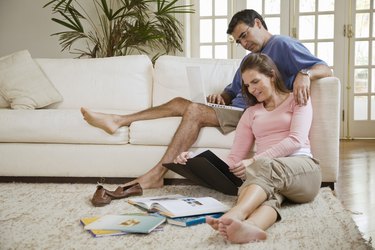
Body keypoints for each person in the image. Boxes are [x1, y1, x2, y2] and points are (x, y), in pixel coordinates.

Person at [81, 9, 331, 189]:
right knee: (181, 102)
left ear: (258, 23)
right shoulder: (248, 60)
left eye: (245, 35)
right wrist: (221, 96)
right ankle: (118, 119)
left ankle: (156, 174)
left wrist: (304, 73)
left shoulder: (282, 44)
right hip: (235, 108)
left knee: (194, 111)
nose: (244, 43)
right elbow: (234, 90)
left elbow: (325, 69)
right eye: (239, 40)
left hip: (252, 112)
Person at [174, 53, 321, 244]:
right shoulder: (251, 113)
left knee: (261, 169)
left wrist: (255, 161)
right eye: (247, 85)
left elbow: (296, 140)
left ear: (271, 75)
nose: (251, 89)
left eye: (255, 82)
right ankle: (250, 228)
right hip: (269, 176)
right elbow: (235, 157)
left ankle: (235, 214)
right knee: (261, 191)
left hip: (304, 171)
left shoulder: (297, 99)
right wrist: (194, 159)